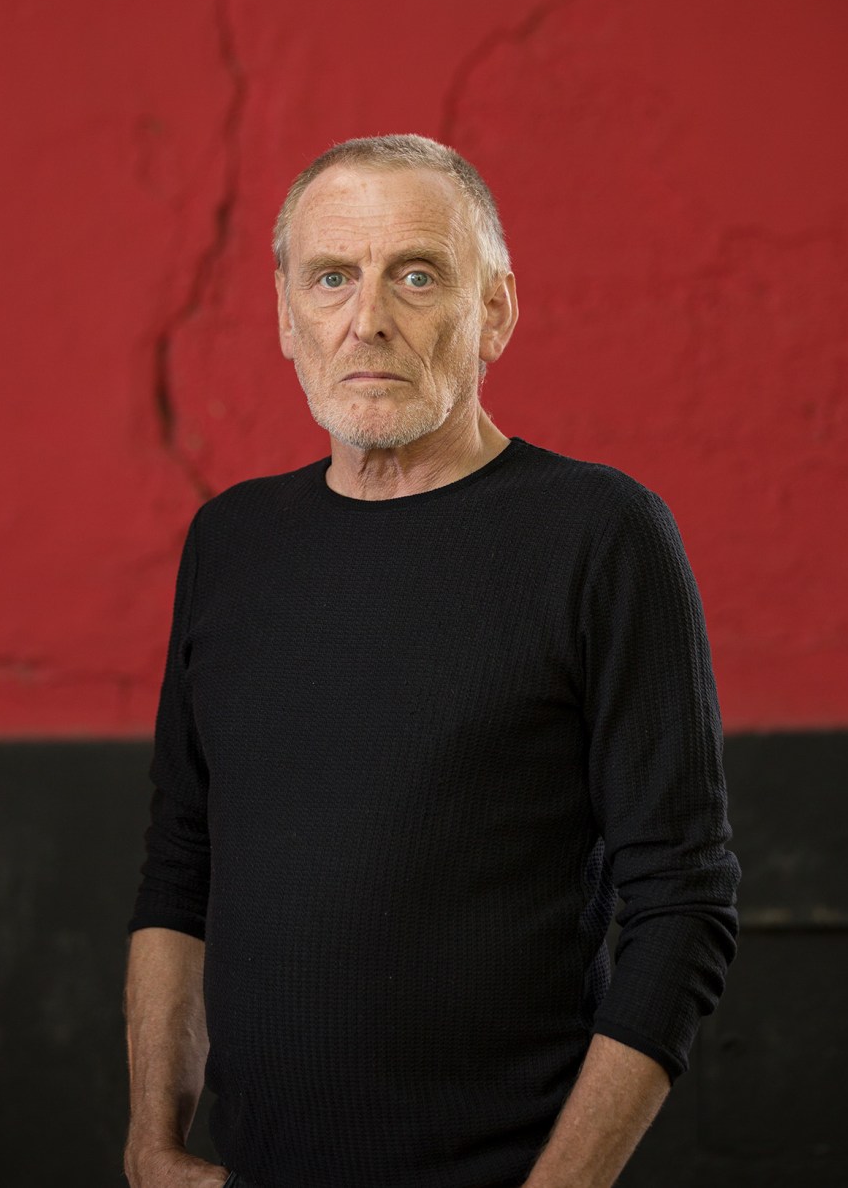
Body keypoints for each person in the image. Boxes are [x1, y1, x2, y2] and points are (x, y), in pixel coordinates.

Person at [124, 134, 740, 1188]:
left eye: (415, 274)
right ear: (287, 316)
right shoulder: (232, 541)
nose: (367, 318)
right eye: (332, 277)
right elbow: (181, 866)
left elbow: (685, 903)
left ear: (494, 310)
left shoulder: (600, 533)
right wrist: (152, 1138)